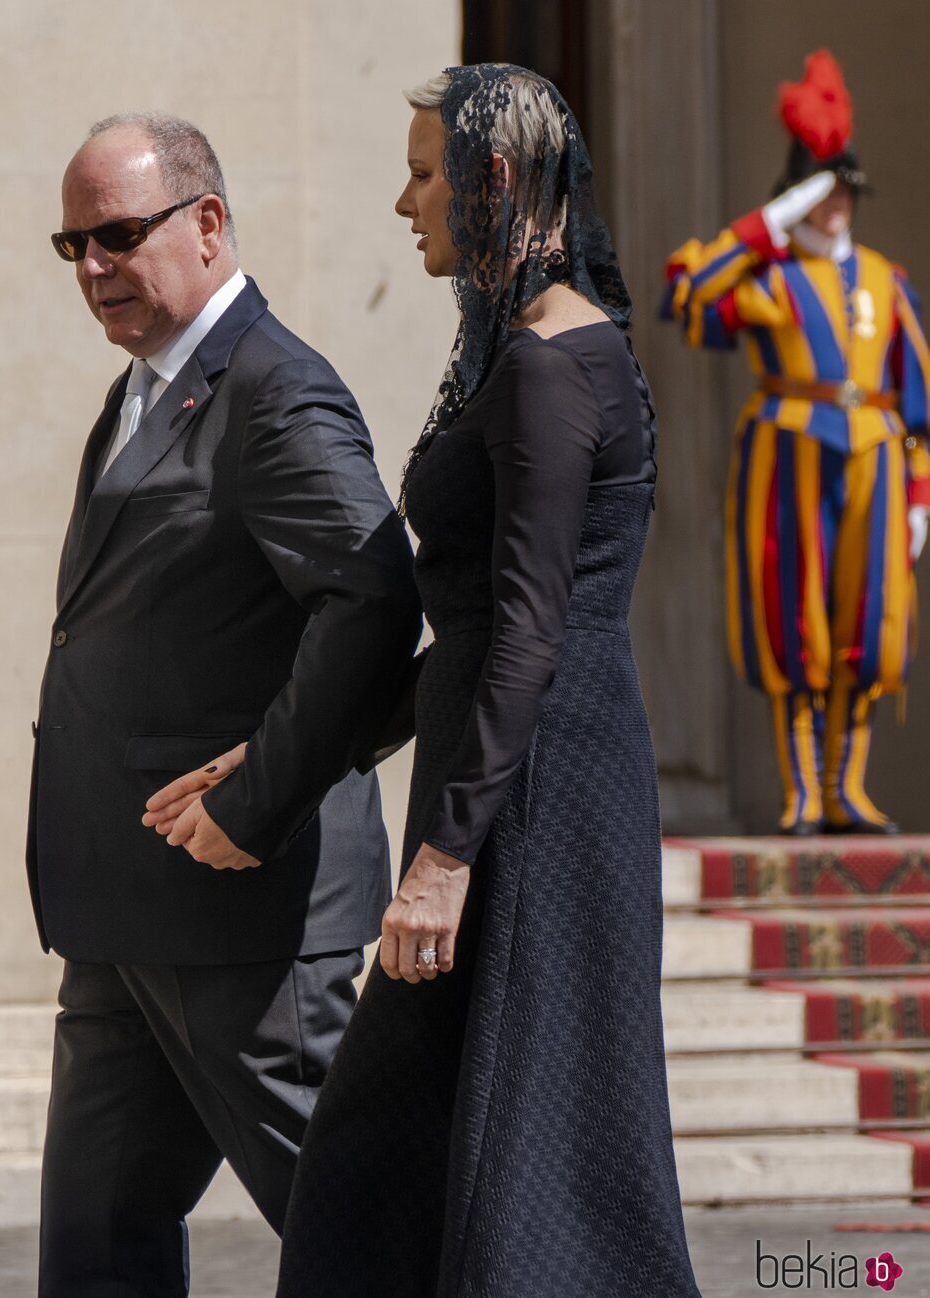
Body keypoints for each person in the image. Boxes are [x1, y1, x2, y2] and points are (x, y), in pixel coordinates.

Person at [269, 63, 700, 1297]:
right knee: (399, 1156)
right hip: (504, 782)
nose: (405, 205)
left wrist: (444, 859)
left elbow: (528, 626)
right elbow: (467, 630)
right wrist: (296, 754)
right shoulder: (524, 350)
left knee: (532, 1167)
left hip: (534, 810)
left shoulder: (552, 366)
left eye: (421, 175)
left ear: (491, 177)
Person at [28, 112, 420, 1296]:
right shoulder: (144, 388)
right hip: (118, 914)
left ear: (206, 222)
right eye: (73, 245)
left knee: (366, 1234)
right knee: (95, 1251)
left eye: (118, 234)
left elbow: (369, 601)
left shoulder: (275, 387)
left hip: (242, 919)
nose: (94, 266)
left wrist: (254, 801)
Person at [663, 50, 930, 834]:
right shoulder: (769, 277)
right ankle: (805, 792)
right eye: (821, 190)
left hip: (877, 457)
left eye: (844, 189)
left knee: (870, 622)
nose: (837, 204)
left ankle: (849, 788)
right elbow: (688, 295)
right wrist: (766, 227)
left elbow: (918, 400)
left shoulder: (888, 279)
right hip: (787, 455)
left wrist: (919, 493)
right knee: (794, 616)